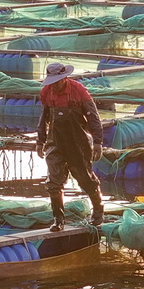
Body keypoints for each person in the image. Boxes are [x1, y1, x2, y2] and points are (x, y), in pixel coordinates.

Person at [35, 62, 104, 232]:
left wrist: (98, 142)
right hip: (55, 142)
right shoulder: (46, 93)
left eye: (57, 81)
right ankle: (58, 220)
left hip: (77, 142)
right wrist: (40, 141)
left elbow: (93, 118)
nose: (55, 85)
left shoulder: (79, 91)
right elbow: (43, 118)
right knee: (53, 182)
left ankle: (98, 211)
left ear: (65, 78)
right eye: (52, 82)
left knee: (85, 179)